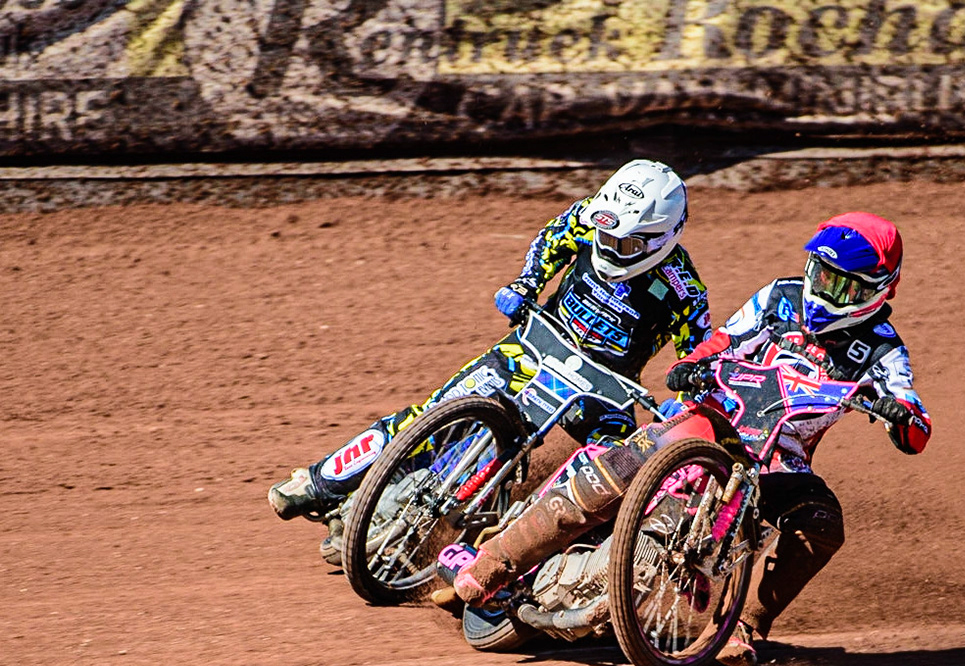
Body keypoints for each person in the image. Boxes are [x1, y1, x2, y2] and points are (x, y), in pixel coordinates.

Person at [443, 211, 932, 666]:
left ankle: (743, 626)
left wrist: (899, 415)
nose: (823, 289)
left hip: (779, 460)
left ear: (878, 289)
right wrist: (691, 364)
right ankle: (490, 564)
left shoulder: (885, 351)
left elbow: (916, 426)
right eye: (820, 273)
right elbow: (725, 337)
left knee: (823, 523)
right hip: (712, 418)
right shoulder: (780, 295)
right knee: (618, 467)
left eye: (841, 284)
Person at [267, 160, 712, 564]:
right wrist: (526, 284)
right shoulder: (590, 216)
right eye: (606, 235)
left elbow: (697, 358)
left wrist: (681, 402)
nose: (610, 247)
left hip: (604, 392)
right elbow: (551, 240)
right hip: (533, 346)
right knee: (434, 413)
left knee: (610, 479)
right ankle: (319, 482)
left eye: (625, 242)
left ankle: (521, 565)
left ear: (662, 237)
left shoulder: (684, 289)